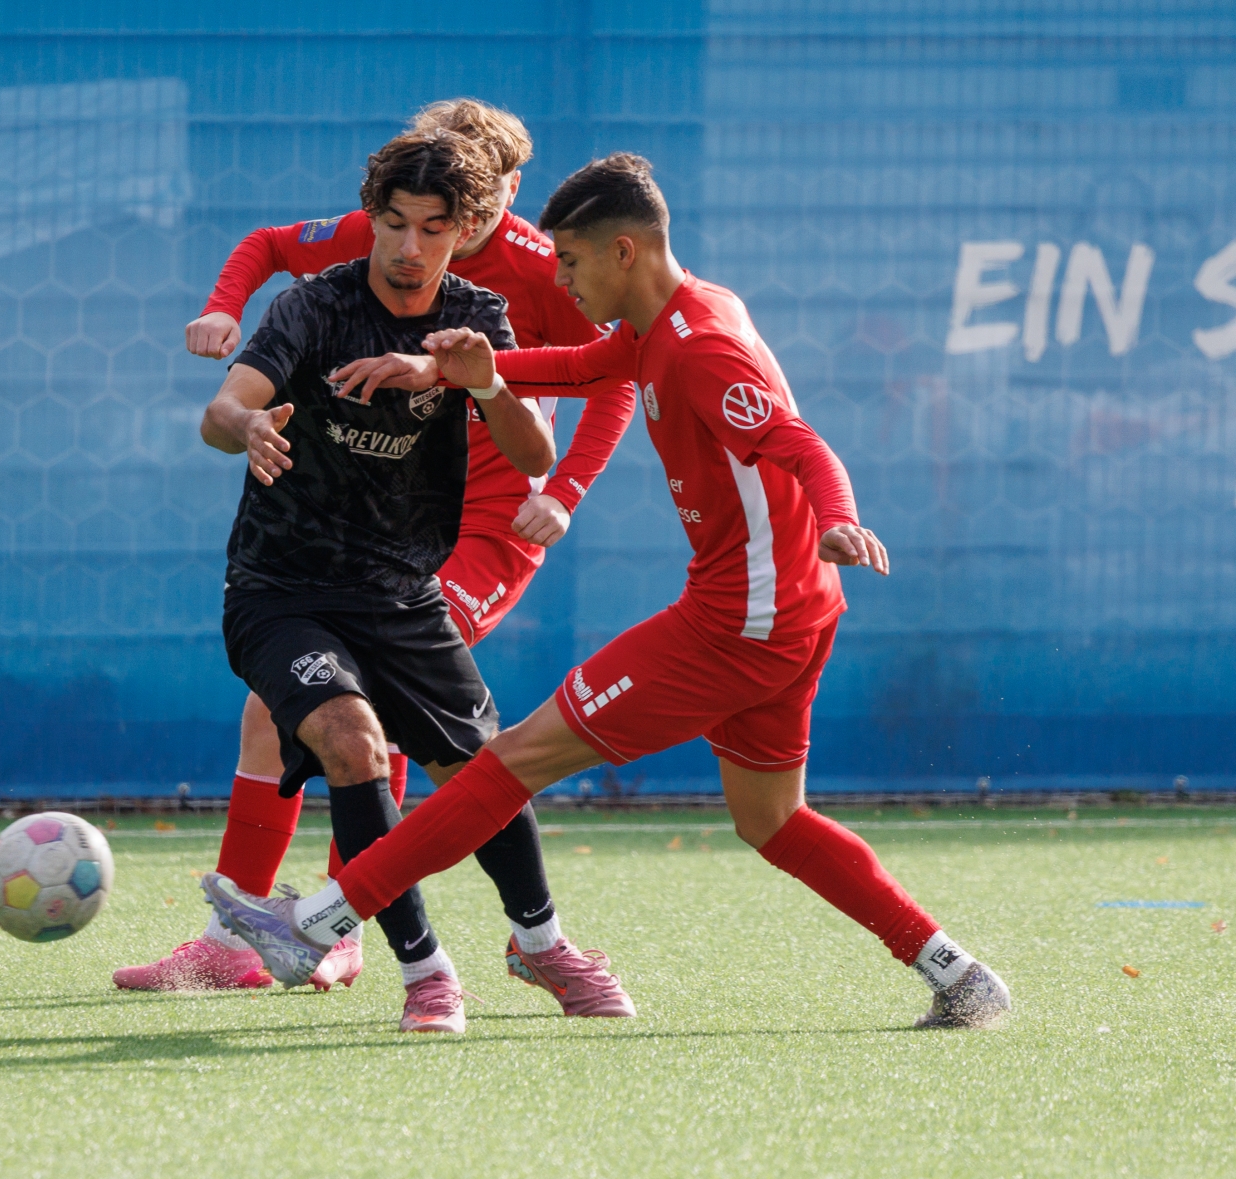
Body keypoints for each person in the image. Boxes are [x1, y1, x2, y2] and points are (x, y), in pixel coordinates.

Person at [204, 153, 1012, 1030]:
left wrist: (840, 518)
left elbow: (801, 443)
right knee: (773, 821)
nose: (560, 280)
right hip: (794, 615)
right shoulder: (676, 318)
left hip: (736, 626)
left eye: (570, 261)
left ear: (623, 252)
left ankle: (317, 924)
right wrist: (446, 372)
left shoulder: (700, 349)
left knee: (507, 761)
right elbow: (586, 367)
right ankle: (957, 973)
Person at [116, 99, 636, 997]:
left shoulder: (526, 273)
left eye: (450, 213)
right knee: (292, 710)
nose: (415, 238)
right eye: (402, 217)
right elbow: (267, 253)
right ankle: (244, 935)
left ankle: (352, 922)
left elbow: (609, 379)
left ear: (492, 201)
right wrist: (224, 322)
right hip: (358, 534)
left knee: (404, 724)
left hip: (486, 525)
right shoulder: (365, 256)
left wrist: (563, 490)